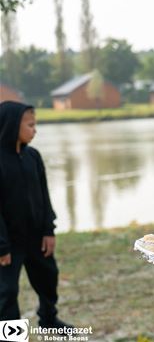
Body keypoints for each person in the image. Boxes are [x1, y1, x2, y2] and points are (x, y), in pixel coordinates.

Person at [0, 101, 72, 328]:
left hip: (36, 236)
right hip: (7, 243)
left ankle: (49, 321)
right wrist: (1, 246)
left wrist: (48, 229)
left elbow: (44, 195)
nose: (35, 130)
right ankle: (12, 336)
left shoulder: (33, 157)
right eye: (30, 125)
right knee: (7, 291)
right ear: (12, 125)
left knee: (48, 279)